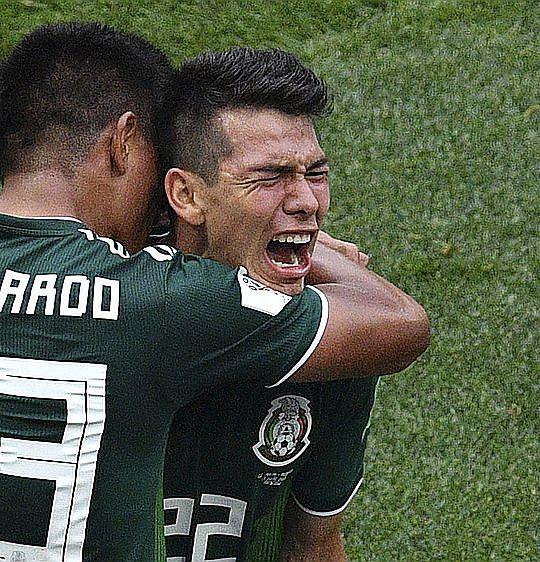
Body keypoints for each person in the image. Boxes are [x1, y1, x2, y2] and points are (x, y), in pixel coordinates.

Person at [0, 23, 428, 561]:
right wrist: (318, 247)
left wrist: (265, 228)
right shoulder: (160, 304)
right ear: (125, 145)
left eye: (314, 176)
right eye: (268, 178)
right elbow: (399, 322)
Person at [159, 48, 401, 561]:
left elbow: (314, 543)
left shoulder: (336, 338)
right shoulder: (110, 308)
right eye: (270, 177)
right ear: (187, 195)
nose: (307, 202)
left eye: (315, 173)